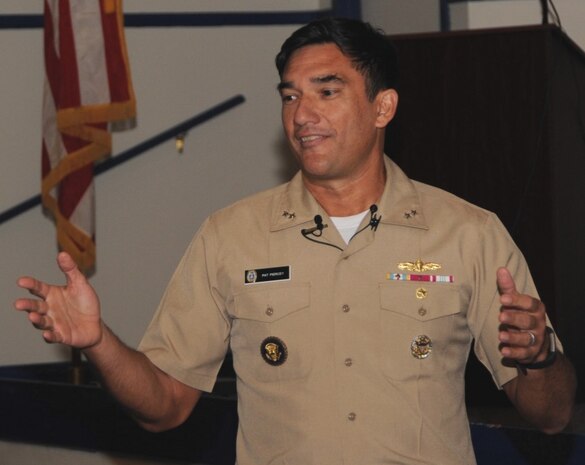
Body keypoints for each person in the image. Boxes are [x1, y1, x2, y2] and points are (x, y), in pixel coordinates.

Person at [14, 17, 576, 465]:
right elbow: (164, 406)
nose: (301, 115)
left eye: (326, 91)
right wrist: (98, 341)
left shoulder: (469, 234)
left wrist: (540, 357)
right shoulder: (230, 237)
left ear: (383, 106)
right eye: (289, 96)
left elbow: (551, 415)